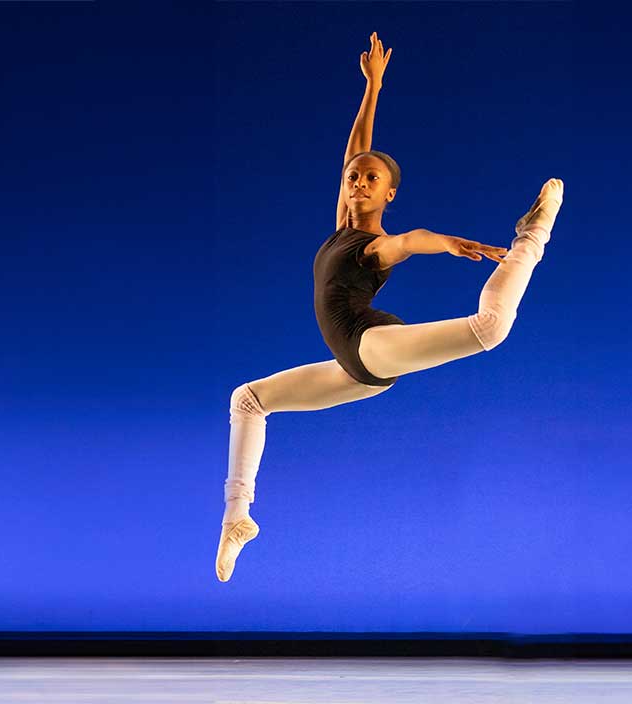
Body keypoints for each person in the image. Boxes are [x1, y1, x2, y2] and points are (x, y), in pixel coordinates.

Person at [216, 31, 564, 582]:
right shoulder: (339, 229)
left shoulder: (374, 247)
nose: (357, 182)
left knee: (491, 328)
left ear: (388, 195)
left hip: (367, 343)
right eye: (353, 178)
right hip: (357, 372)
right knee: (248, 399)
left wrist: (448, 242)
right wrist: (373, 86)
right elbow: (356, 147)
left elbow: (408, 241)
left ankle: (532, 235)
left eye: (371, 179)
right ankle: (238, 517)